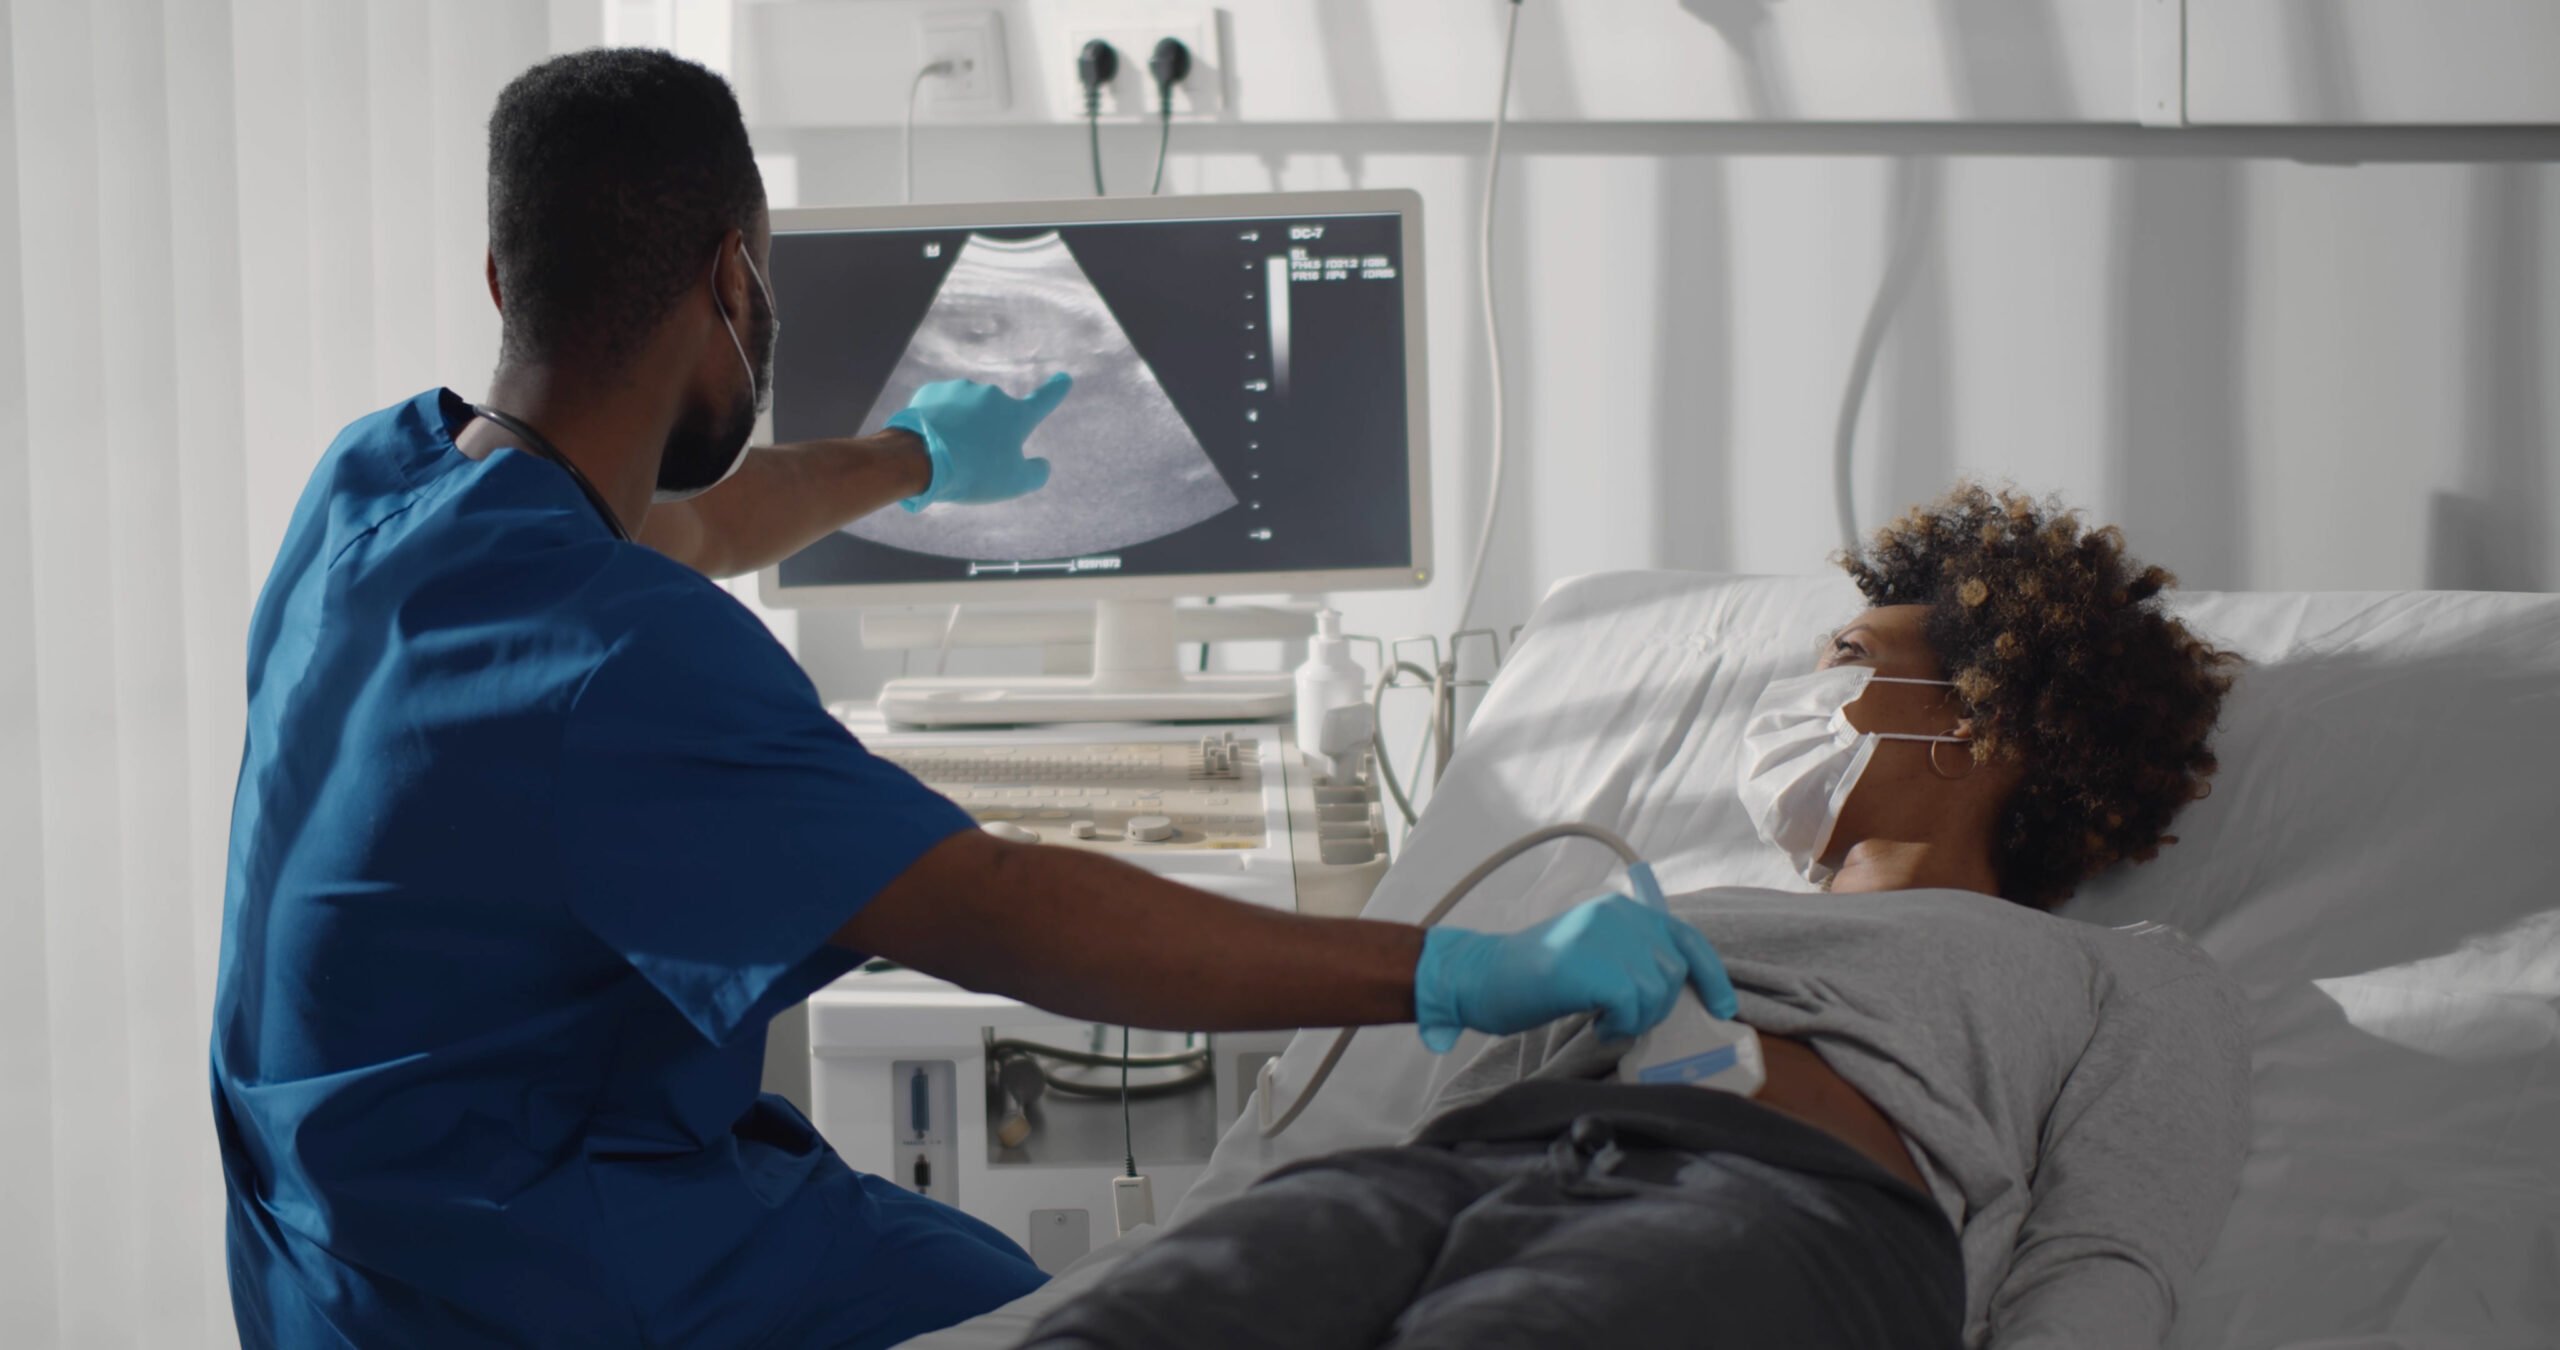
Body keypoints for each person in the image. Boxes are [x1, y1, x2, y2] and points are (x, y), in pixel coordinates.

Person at [208, 49, 1733, 1350]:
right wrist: (1460, 969)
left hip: (329, 1251)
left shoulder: (382, 480)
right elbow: (1003, 907)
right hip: (508, 1283)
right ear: (732, 279)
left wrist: (916, 460)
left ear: (501, 277)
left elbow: (689, 522)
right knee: (1057, 1317)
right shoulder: (621, 667)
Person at [1020, 485, 2254, 1350]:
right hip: (1463, 1174)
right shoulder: (1654, 913)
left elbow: (2109, 1247)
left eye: (1844, 658)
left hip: (1776, 1211)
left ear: (1982, 725)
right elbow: (1463, 1097)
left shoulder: (2116, 973)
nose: (1799, 693)